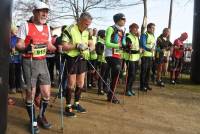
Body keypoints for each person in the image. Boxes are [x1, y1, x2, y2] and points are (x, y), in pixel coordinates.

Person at [16, 1, 56, 133]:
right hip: (29, 63)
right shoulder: (26, 25)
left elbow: (49, 45)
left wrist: (59, 49)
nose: (45, 14)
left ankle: (41, 116)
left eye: (46, 11)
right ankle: (33, 120)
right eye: (41, 11)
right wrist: (26, 48)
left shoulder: (47, 27)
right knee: (31, 93)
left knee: (46, 93)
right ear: (34, 12)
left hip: (42, 62)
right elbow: (19, 45)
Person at [61, 12, 93, 117]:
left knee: (80, 83)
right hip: (71, 58)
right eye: (86, 24)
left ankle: (76, 104)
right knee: (71, 83)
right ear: (80, 20)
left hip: (83, 58)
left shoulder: (87, 31)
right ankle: (68, 106)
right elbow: (64, 46)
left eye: (89, 24)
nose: (88, 26)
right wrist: (76, 45)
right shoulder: (69, 29)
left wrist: (90, 48)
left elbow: (91, 43)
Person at [104, 13, 126, 104]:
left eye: (125, 19)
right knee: (117, 70)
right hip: (110, 54)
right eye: (123, 19)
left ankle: (110, 95)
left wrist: (127, 46)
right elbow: (107, 43)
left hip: (118, 54)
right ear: (117, 20)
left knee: (116, 75)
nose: (125, 20)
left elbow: (123, 43)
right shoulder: (110, 28)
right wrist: (118, 45)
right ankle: (110, 93)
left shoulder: (123, 30)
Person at [124, 23, 140, 96]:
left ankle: (130, 88)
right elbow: (127, 47)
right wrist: (129, 46)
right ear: (130, 28)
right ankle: (127, 90)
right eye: (135, 28)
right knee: (131, 74)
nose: (136, 30)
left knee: (134, 75)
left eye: (137, 28)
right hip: (129, 57)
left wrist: (139, 50)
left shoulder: (136, 37)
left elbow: (137, 47)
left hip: (136, 58)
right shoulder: (128, 36)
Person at [140, 23, 156, 91]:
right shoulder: (144, 35)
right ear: (148, 28)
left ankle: (146, 84)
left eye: (154, 28)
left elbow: (153, 46)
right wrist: (149, 49)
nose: (154, 29)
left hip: (151, 56)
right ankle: (142, 86)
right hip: (145, 56)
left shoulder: (153, 35)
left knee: (148, 72)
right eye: (152, 28)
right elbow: (143, 45)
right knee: (144, 71)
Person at [9, 24, 22, 94]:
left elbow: (21, 46)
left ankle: (18, 86)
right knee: (11, 74)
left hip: (18, 59)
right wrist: (11, 48)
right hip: (10, 59)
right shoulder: (7, 38)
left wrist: (18, 48)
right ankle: (12, 87)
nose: (16, 32)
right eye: (15, 31)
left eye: (17, 31)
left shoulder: (18, 38)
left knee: (18, 73)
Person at [96, 30, 107, 95]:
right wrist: (104, 51)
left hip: (106, 61)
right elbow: (98, 52)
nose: (106, 35)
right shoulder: (99, 42)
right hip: (101, 61)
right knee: (101, 76)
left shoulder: (105, 42)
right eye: (105, 34)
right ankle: (100, 89)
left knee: (106, 76)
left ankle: (105, 88)